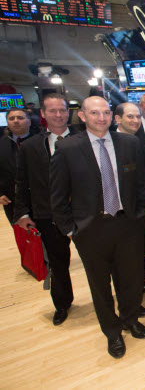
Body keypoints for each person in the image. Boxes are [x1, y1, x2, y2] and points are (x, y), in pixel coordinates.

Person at [49, 96, 145, 359]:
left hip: (127, 224)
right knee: (100, 285)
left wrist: (139, 216)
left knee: (130, 278)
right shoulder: (68, 148)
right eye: (94, 113)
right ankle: (112, 332)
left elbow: (140, 184)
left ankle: (130, 319)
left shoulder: (129, 143)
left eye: (106, 112)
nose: (101, 118)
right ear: (82, 116)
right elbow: (58, 195)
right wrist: (70, 229)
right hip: (90, 229)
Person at [14, 94, 77, 326]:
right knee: (59, 263)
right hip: (48, 214)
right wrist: (22, 212)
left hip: (84, 213)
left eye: (62, 110)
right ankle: (62, 304)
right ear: (43, 114)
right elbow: (22, 181)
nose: (58, 115)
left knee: (98, 262)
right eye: (53, 111)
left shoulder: (85, 139)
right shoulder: (30, 146)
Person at [114, 103, 145, 295]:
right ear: (117, 119)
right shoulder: (111, 142)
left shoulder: (135, 140)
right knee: (123, 258)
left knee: (136, 250)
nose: (135, 121)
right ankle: (131, 293)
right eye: (130, 117)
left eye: (137, 117)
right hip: (119, 211)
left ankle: (140, 280)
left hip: (138, 208)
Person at [0, 108, 32, 224]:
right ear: (7, 123)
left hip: (40, 200)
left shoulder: (41, 141)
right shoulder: (2, 144)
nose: (16, 121)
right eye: (11, 118)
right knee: (24, 237)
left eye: (20, 118)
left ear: (29, 121)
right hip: (12, 201)